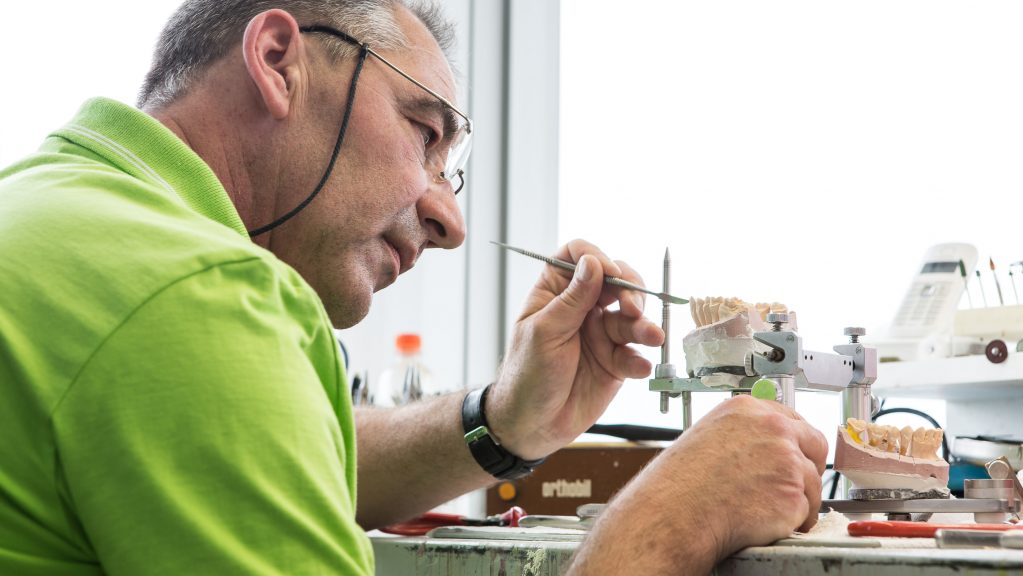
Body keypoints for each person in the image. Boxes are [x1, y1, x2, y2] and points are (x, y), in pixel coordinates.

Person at [0, 0, 827, 574]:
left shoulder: (57, 213)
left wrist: (502, 419)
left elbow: (271, 465)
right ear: (279, 61)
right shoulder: (197, 289)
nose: (448, 219)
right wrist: (670, 518)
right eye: (424, 132)